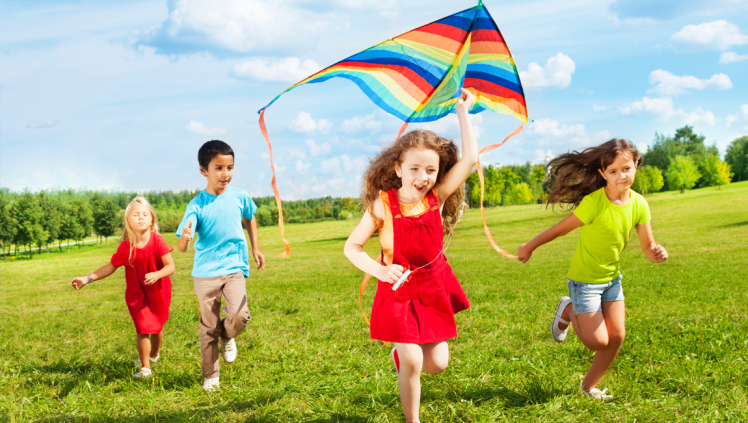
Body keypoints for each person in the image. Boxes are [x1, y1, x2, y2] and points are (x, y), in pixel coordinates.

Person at [344, 89, 477, 423]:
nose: (423, 177)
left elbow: (470, 159)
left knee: (436, 364)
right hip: (399, 292)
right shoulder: (382, 205)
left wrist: (463, 112)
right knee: (414, 361)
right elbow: (352, 247)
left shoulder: (437, 198)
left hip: (433, 289)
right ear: (398, 168)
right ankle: (411, 419)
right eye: (415, 168)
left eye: (430, 170)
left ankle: (398, 357)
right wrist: (380, 271)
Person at [518, 139, 668, 399]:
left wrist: (656, 252)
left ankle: (588, 387)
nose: (621, 175)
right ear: (602, 174)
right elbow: (559, 229)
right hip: (585, 282)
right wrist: (530, 246)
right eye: (613, 171)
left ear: (636, 166)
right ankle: (568, 307)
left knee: (617, 337)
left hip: (612, 280)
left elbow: (647, 245)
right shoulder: (594, 203)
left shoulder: (640, 204)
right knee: (596, 341)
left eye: (626, 168)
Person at [176, 140, 266, 391]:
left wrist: (255, 248)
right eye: (219, 168)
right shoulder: (196, 205)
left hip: (234, 267)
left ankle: (227, 335)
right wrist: (184, 238)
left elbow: (250, 218)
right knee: (208, 326)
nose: (225, 174)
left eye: (230, 167)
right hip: (205, 274)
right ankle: (211, 375)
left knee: (239, 314)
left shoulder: (240, 196)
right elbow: (182, 247)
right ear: (204, 171)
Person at [71, 196, 175, 379]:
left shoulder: (158, 241)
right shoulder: (126, 247)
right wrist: (87, 278)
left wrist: (157, 274)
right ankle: (145, 367)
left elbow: (170, 267)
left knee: (156, 328)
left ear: (152, 219)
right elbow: (110, 267)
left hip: (158, 291)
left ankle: (154, 354)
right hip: (136, 293)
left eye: (145, 214)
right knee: (143, 327)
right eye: (135, 215)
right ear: (128, 221)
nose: (140, 217)